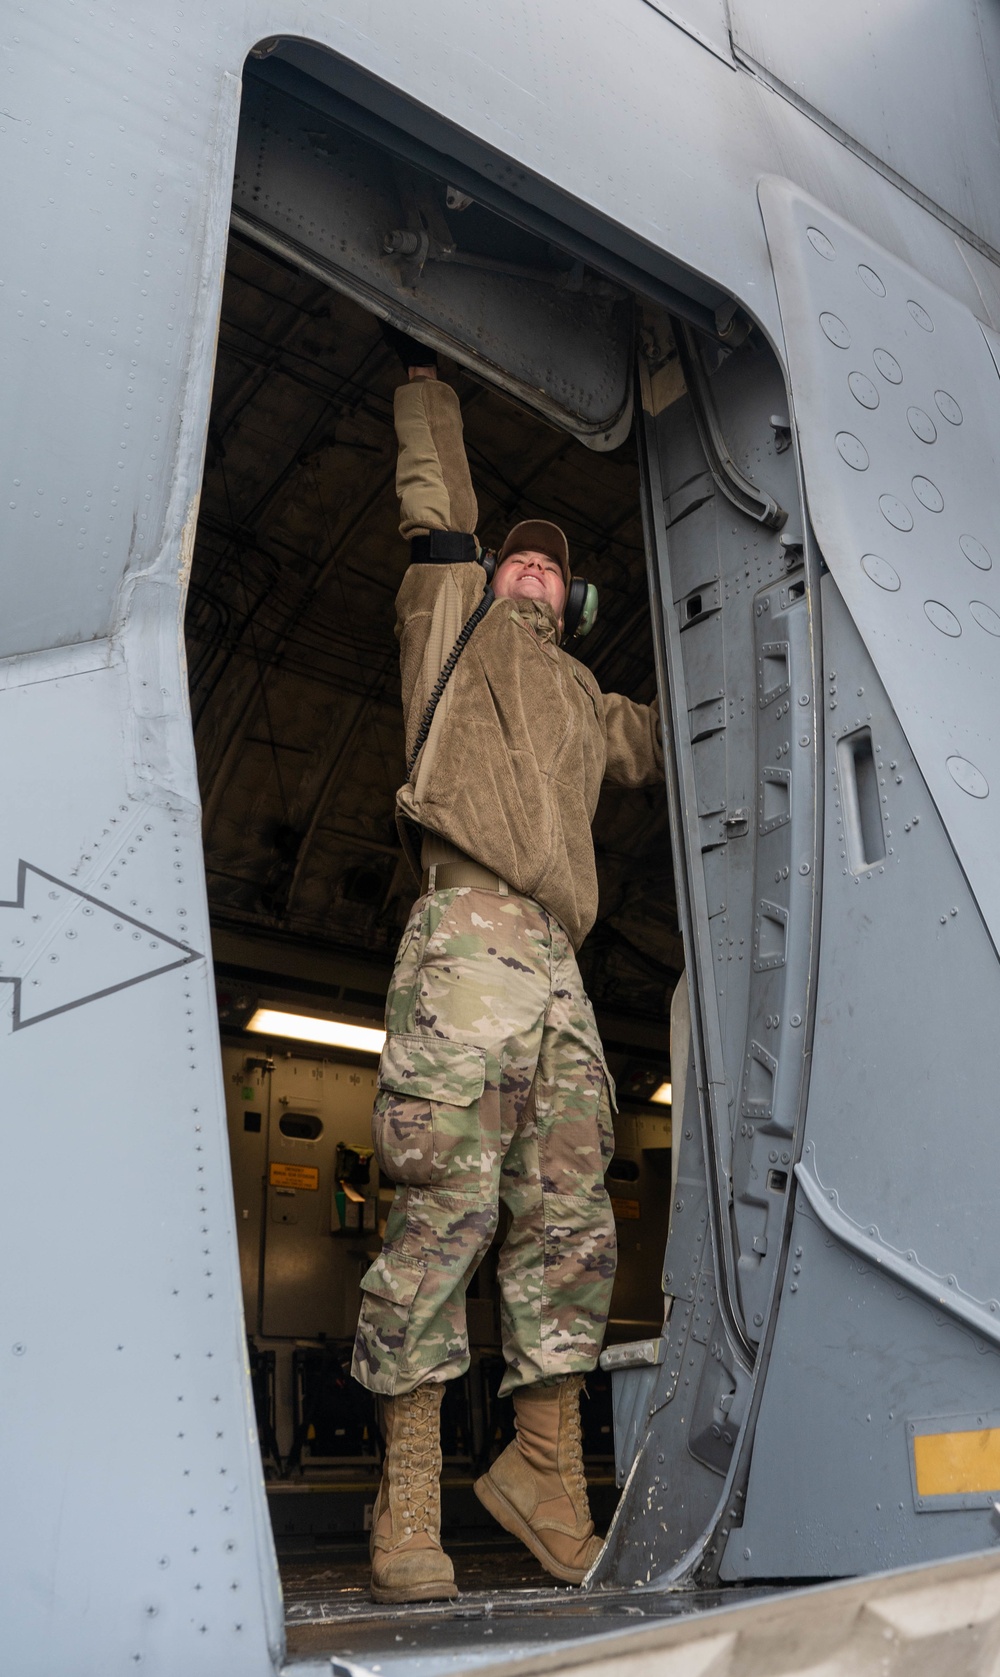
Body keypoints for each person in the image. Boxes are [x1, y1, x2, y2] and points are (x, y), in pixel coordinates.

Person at [351, 330, 663, 1604]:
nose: (530, 571)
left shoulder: (590, 700)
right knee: (442, 1207)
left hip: (560, 971)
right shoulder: (451, 620)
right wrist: (427, 389)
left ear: (574, 599)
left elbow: (689, 732)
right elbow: (439, 515)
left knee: (572, 1224)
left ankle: (545, 1478)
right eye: (517, 558)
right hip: (467, 936)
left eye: (551, 568)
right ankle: (408, 1492)